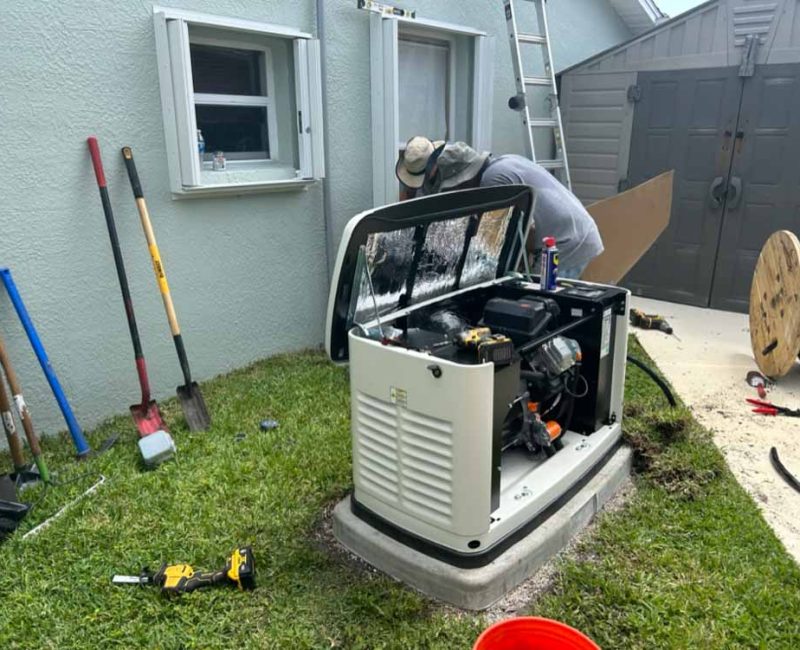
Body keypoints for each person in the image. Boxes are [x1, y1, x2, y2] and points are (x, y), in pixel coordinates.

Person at [395, 136, 604, 279]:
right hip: (575, 233)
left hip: (565, 244)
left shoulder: (494, 181)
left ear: (464, 179)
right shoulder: (502, 164)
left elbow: (524, 233)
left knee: (540, 315)